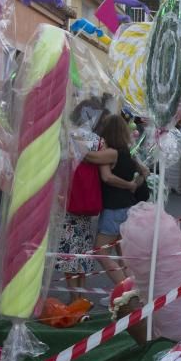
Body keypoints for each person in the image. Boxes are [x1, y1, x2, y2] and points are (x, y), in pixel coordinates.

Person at [55, 102, 119, 301]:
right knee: (82, 248)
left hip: (68, 200)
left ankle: (75, 296)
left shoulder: (65, 137)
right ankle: (82, 294)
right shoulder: (98, 141)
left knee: (68, 251)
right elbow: (105, 170)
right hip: (88, 203)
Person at [96, 114, 149, 285]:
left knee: (100, 251)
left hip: (113, 207)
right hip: (128, 206)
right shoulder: (127, 152)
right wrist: (133, 184)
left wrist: (128, 184)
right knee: (122, 252)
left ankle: (125, 291)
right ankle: (132, 292)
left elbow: (107, 177)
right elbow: (145, 172)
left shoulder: (110, 153)